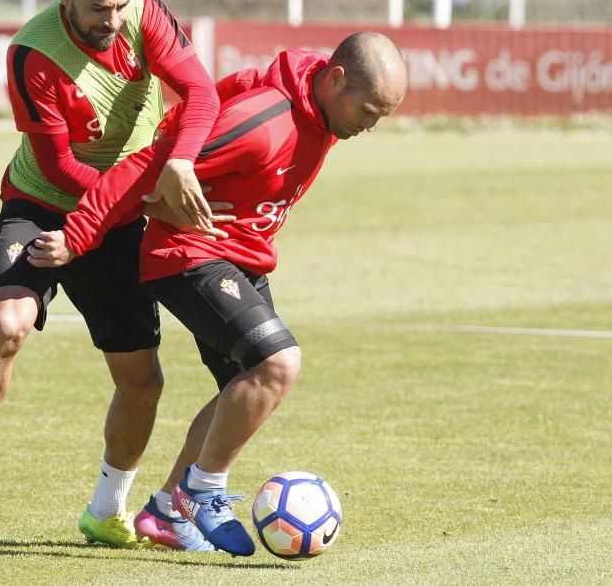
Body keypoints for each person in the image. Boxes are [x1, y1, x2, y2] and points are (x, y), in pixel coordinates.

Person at [28, 31, 408, 555]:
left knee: (245, 390)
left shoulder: (319, 108)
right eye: (368, 110)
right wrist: (78, 236)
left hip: (240, 258)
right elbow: (147, 164)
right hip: (188, 257)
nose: (370, 125)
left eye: (380, 117)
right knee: (279, 363)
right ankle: (203, 490)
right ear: (336, 78)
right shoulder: (264, 120)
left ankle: (165, 512)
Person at [0, 0, 222, 550]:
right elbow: (58, 167)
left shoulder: (145, 12)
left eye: (119, 6)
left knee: (142, 380)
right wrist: (112, 210)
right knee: (8, 324)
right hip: (43, 201)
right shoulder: (32, 54)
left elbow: (202, 95)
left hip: (120, 212)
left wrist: (179, 164)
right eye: (97, 9)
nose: (112, 20)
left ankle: (107, 508)